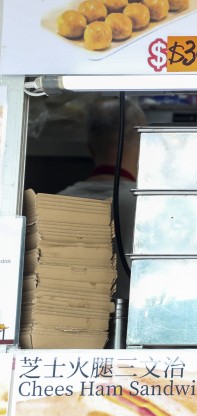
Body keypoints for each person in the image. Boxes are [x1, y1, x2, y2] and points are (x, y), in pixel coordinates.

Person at [58, 97, 146, 303]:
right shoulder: (147, 207)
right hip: (129, 331)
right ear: (143, 145)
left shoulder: (54, 203)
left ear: (90, 147)